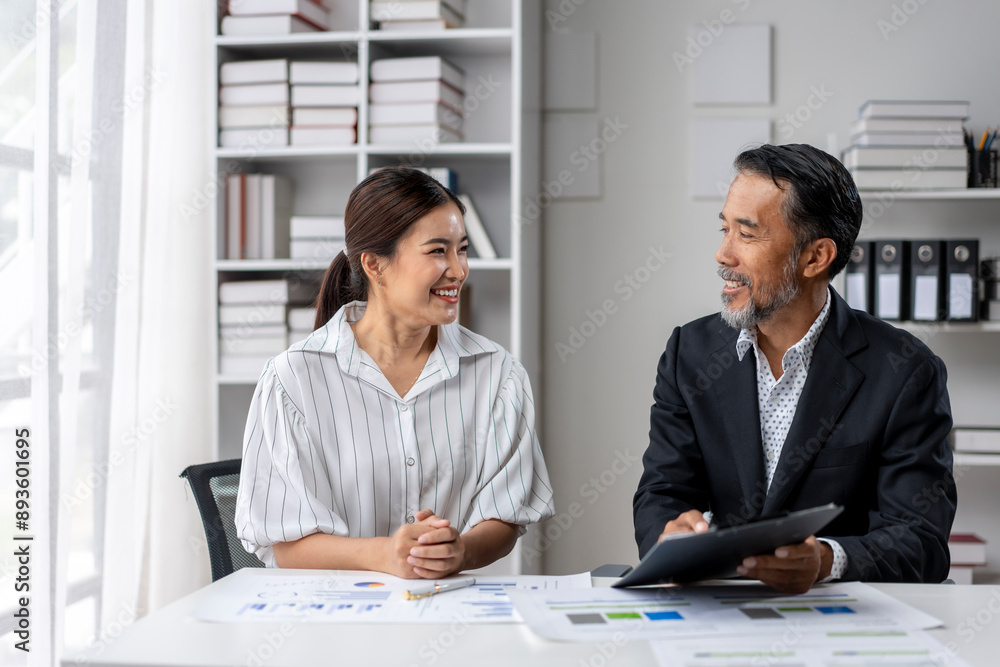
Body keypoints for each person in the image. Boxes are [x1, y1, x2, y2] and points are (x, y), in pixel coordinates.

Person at [633, 144, 956, 594]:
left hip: (843, 623)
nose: (723, 255)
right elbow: (661, 494)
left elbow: (922, 540)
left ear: (815, 257)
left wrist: (827, 560)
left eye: (747, 235)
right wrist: (672, 535)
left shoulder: (905, 371)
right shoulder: (689, 352)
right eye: (725, 229)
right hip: (717, 611)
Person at [236, 166, 554, 579]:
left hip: (452, 615)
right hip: (336, 624)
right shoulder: (291, 380)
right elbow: (284, 544)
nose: (458, 270)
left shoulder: (498, 374)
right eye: (438, 251)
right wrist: (384, 555)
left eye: (462, 249)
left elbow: (505, 518)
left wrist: (461, 551)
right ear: (375, 265)